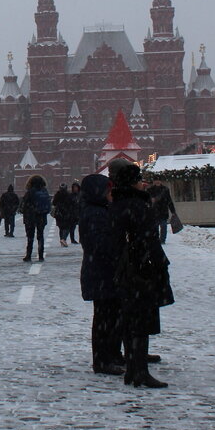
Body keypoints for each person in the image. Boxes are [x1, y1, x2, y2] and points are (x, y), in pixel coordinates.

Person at [108, 159, 173, 389]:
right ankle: (140, 372)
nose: (142, 183)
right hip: (140, 269)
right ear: (131, 182)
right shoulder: (136, 205)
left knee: (130, 321)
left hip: (126, 269)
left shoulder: (117, 204)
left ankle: (133, 371)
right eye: (138, 179)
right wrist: (157, 262)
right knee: (141, 321)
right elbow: (147, 239)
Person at [77, 173, 124, 376]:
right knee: (104, 319)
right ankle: (102, 360)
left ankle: (111, 355)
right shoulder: (95, 213)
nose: (109, 193)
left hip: (101, 272)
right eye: (106, 189)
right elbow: (99, 244)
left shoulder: (97, 210)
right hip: (101, 272)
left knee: (109, 316)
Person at [21, 175, 50, 262]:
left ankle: (28, 255)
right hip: (41, 216)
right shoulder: (44, 191)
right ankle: (41, 255)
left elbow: (24, 206)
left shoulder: (30, 192)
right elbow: (48, 205)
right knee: (40, 236)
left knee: (30, 237)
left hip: (31, 217)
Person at [146, 177, 178, 245]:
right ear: (154, 182)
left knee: (163, 226)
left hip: (163, 211)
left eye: (158, 180)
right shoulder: (150, 190)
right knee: (155, 227)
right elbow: (146, 201)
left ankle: (162, 240)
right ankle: (156, 239)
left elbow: (169, 200)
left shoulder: (165, 190)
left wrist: (173, 211)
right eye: (156, 180)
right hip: (154, 211)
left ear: (160, 181)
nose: (157, 182)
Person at [53, 183, 75, 247]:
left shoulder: (57, 194)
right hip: (67, 213)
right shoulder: (68, 194)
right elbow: (72, 203)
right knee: (67, 227)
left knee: (61, 228)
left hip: (59, 213)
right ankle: (64, 239)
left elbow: (54, 203)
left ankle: (62, 240)